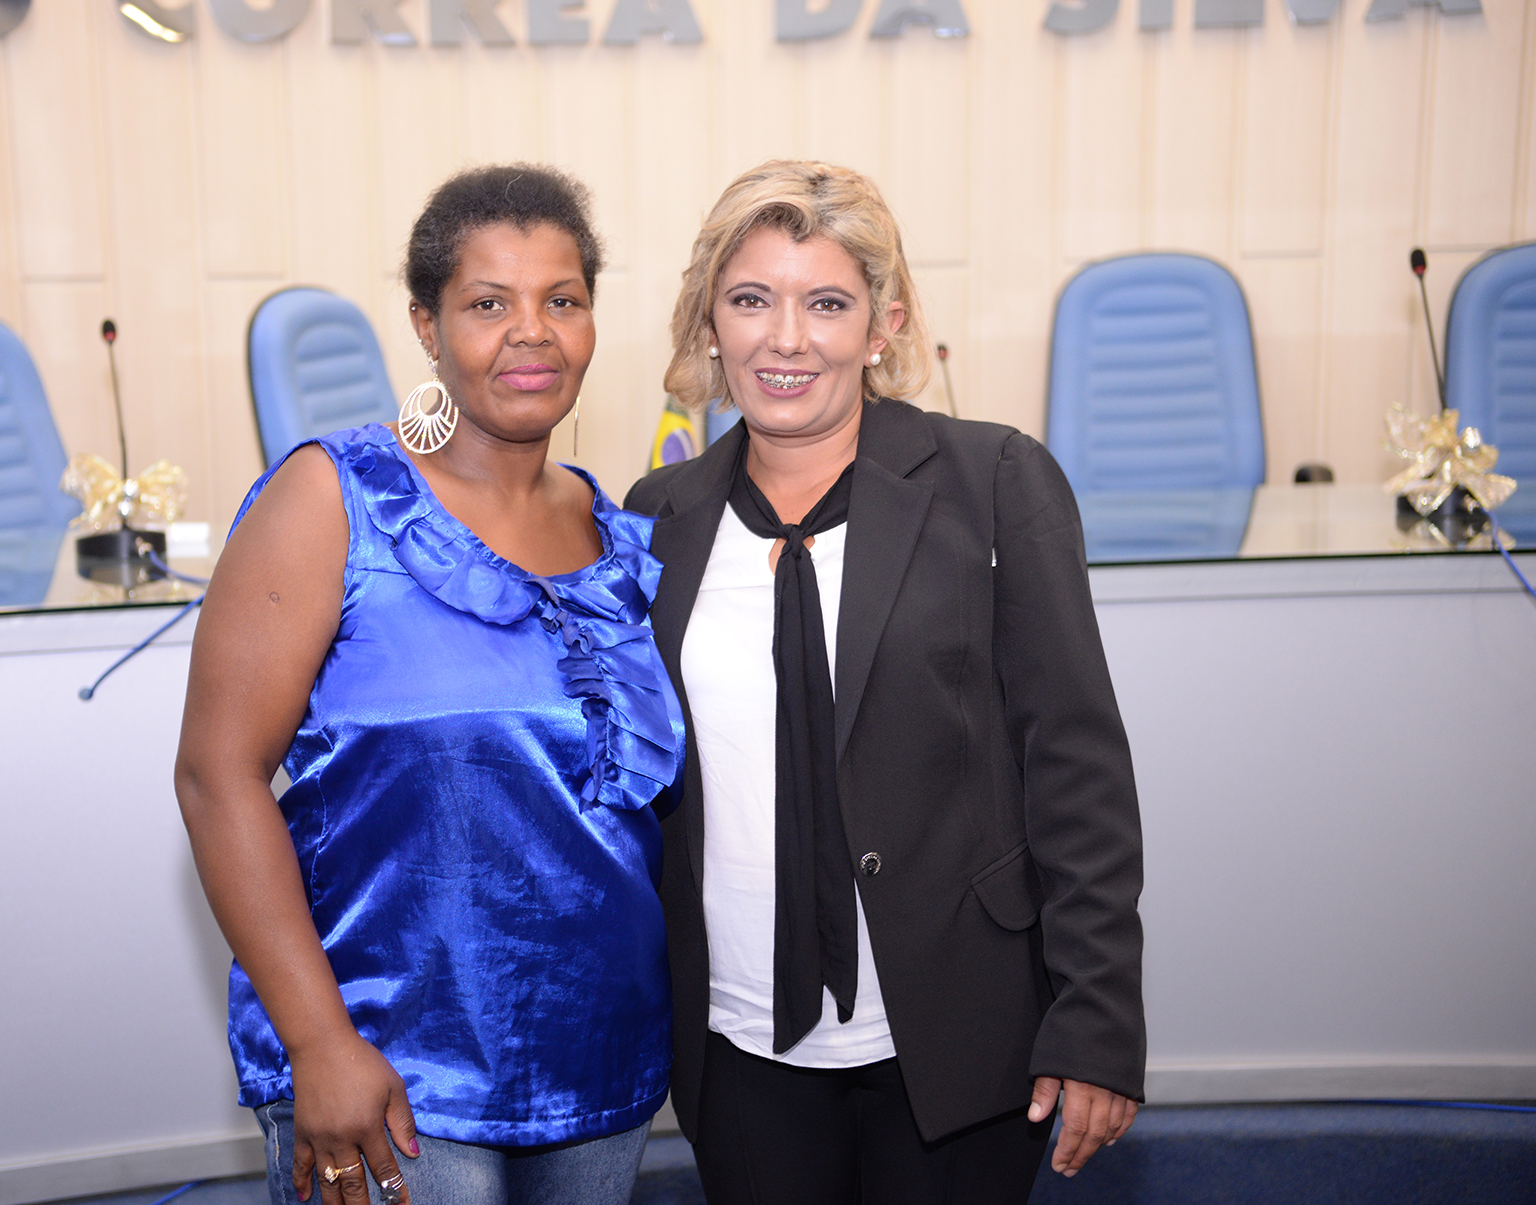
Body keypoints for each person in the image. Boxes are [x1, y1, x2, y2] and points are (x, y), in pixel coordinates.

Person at [623, 160, 1146, 1204]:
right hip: (738, 1040)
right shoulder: (656, 516)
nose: (785, 339)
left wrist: (1096, 1013)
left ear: (883, 324)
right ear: (709, 322)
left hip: (957, 1034)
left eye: (826, 303)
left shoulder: (992, 481)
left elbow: (1075, 765)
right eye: (750, 299)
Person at [175, 164, 684, 1205]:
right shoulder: (337, 497)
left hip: (602, 1059)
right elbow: (215, 777)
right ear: (426, 324)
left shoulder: (616, 533)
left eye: (562, 300)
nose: (531, 332)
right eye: (489, 303)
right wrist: (318, 1042)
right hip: (392, 1064)